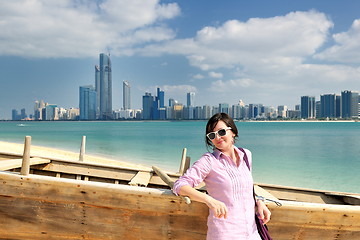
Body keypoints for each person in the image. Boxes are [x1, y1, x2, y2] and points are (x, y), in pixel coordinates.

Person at [173, 112, 271, 240]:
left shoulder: (246, 155)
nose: (218, 137)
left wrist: (259, 202)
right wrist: (209, 200)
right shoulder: (208, 161)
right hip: (225, 234)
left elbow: (244, 187)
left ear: (233, 132)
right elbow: (179, 185)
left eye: (222, 132)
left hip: (251, 233)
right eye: (212, 135)